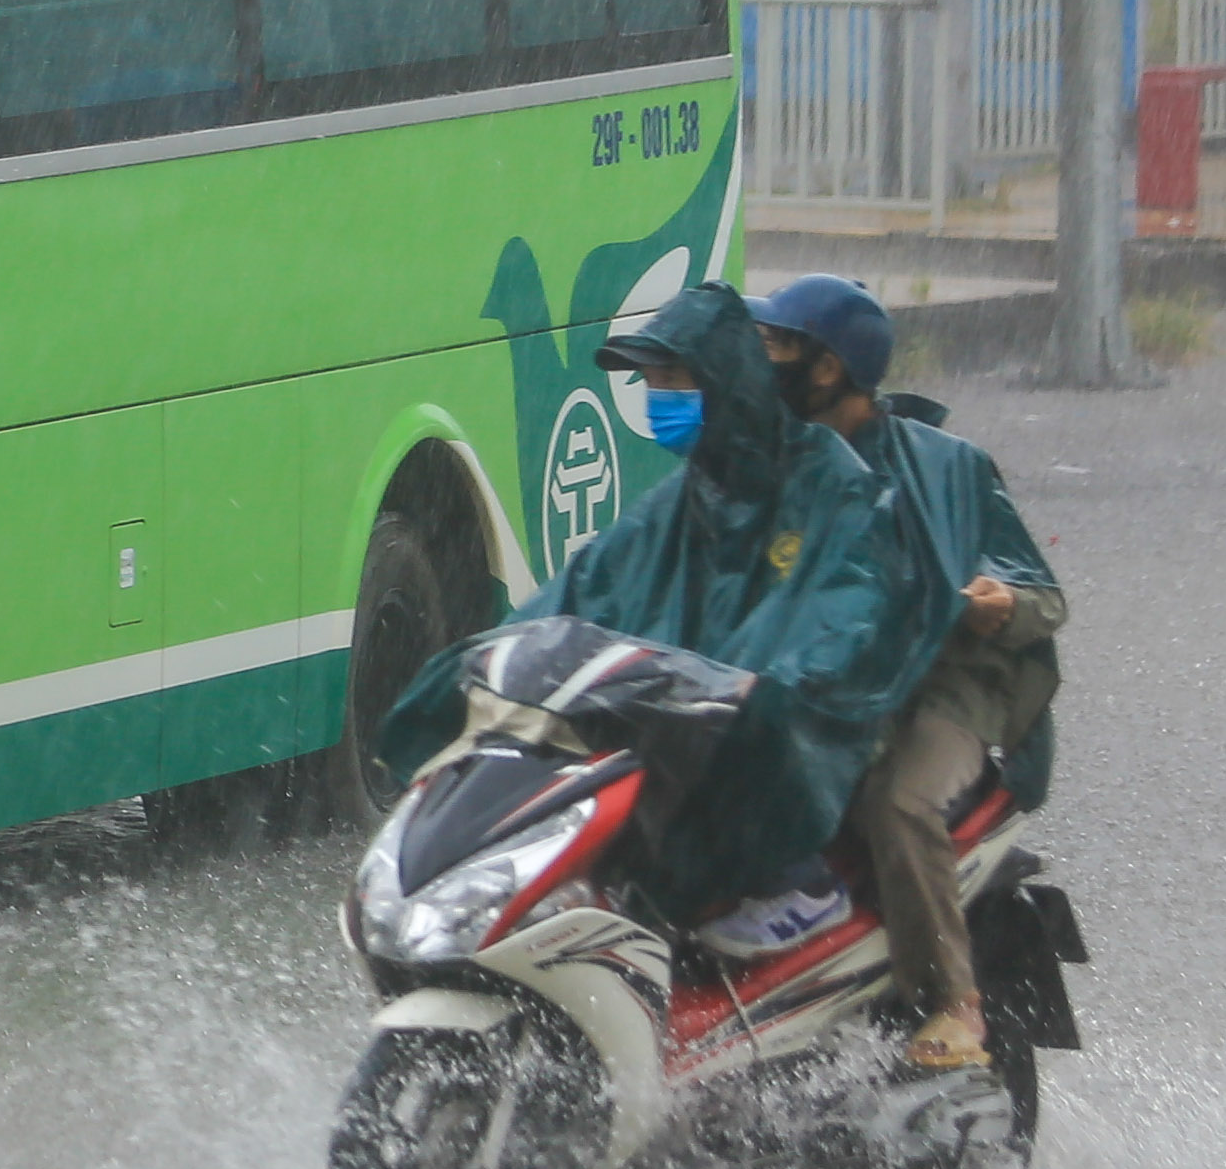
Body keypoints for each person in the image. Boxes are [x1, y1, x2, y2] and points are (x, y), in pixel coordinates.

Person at [379, 281, 957, 922]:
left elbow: (843, 614)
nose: (661, 397)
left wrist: (755, 689)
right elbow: (583, 587)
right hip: (673, 715)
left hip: (795, 730)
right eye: (651, 380)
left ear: (727, 380)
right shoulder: (685, 497)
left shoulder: (833, 487)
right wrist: (493, 655)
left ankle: (796, 883)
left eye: (677, 378)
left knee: (750, 748)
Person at [747, 274, 1067, 1073]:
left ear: (825, 370)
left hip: (943, 687)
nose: (760, 364)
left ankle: (950, 1001)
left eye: (776, 348)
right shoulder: (772, 463)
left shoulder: (945, 468)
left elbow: (1040, 594)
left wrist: (999, 601)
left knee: (897, 800)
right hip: (826, 684)